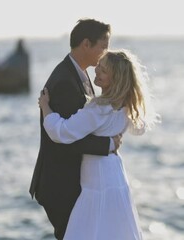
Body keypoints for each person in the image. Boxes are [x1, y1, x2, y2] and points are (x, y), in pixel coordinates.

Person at [38, 49, 156, 240]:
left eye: (103, 71)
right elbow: (138, 129)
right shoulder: (127, 106)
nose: (96, 72)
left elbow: (61, 132)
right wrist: (111, 140)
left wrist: (45, 107)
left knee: (91, 229)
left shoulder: (98, 109)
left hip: (97, 177)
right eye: (98, 67)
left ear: (114, 78)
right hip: (115, 172)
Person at [29, 18, 120, 239]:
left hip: (70, 180)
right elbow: (67, 137)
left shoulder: (79, 72)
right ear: (86, 44)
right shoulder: (65, 81)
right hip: (61, 183)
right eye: (103, 45)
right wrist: (108, 144)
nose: (106, 52)